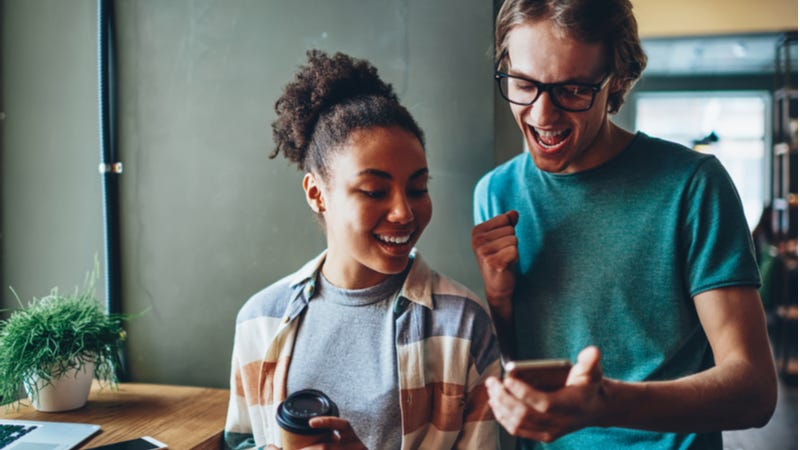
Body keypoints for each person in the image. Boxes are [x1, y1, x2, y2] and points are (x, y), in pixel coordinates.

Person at [471, 0, 778, 448]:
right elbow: (518, 370)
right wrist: (499, 301)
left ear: (614, 80)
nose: (542, 115)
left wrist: (608, 403)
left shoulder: (692, 186)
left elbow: (754, 390)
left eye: (572, 90)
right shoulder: (494, 194)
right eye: (523, 84)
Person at [224, 50, 501, 450]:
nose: (404, 211)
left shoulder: (462, 326)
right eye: (375, 191)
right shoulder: (259, 321)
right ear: (317, 193)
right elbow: (240, 442)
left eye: (418, 188)